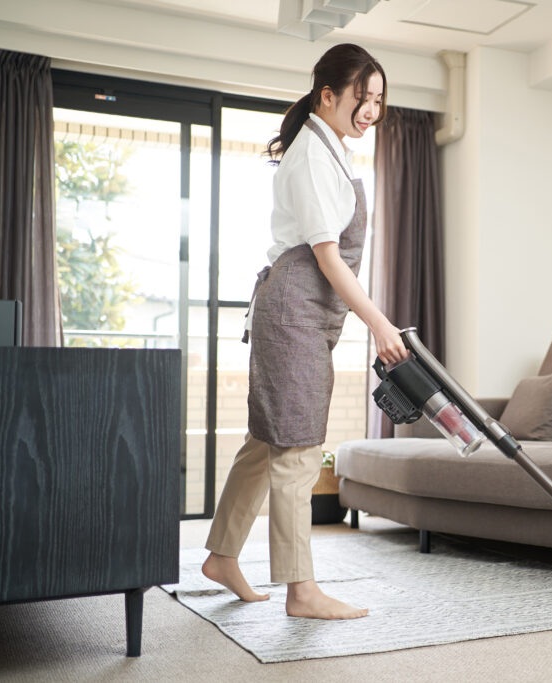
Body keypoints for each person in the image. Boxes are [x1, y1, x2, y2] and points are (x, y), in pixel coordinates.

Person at [201, 43, 408, 620]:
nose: (371, 110)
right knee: (297, 449)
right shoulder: (315, 156)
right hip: (294, 308)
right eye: (362, 98)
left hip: (300, 310)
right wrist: (380, 324)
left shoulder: (329, 150)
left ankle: (221, 555)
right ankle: (301, 590)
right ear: (329, 95)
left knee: (268, 440)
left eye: (379, 102)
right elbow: (328, 257)